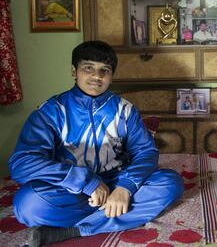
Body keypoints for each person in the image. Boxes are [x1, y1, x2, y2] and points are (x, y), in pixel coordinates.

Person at [8, 41, 184, 246]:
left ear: (111, 75)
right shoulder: (52, 111)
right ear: (74, 71)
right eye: (88, 68)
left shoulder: (124, 110)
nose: (97, 76)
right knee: (27, 205)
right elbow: (22, 163)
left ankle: (74, 230)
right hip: (73, 192)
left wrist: (125, 188)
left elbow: (146, 152)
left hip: (117, 184)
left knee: (171, 183)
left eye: (104, 70)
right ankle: (114, 217)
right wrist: (86, 182)